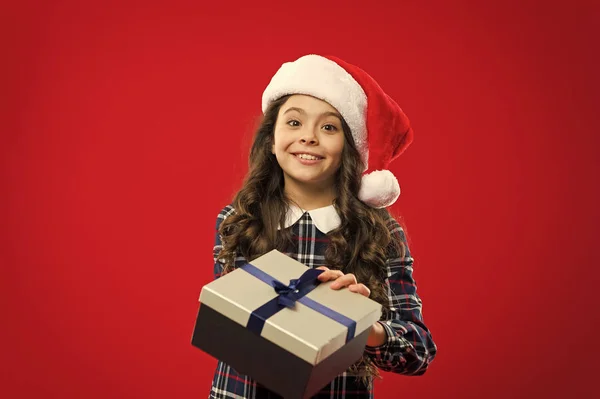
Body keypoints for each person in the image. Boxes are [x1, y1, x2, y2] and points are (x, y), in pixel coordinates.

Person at [209, 54, 437, 398]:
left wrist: (363, 326)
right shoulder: (237, 220)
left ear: (351, 147)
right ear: (272, 139)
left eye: (329, 127)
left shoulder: (381, 234)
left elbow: (419, 351)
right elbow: (229, 328)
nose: (309, 138)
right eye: (294, 123)